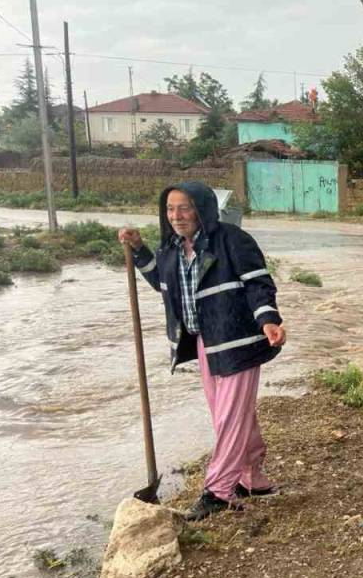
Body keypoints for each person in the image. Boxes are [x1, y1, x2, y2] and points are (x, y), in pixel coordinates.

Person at [118, 181, 286, 521]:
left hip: (237, 342)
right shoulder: (171, 249)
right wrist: (139, 251)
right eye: (170, 209)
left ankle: (219, 491)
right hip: (205, 344)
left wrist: (268, 319)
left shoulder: (231, 240)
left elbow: (258, 284)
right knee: (231, 416)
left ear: (202, 208)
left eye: (184, 207)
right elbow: (163, 284)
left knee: (229, 418)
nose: (176, 216)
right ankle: (251, 478)